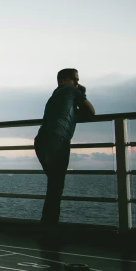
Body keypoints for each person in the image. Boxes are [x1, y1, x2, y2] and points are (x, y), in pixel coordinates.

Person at [34, 68, 95, 227]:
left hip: (42, 141)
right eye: (74, 79)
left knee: (54, 186)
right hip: (57, 141)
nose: (77, 83)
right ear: (63, 81)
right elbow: (91, 112)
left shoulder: (55, 96)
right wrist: (82, 95)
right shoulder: (70, 91)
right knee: (56, 187)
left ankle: (47, 225)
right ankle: (49, 228)